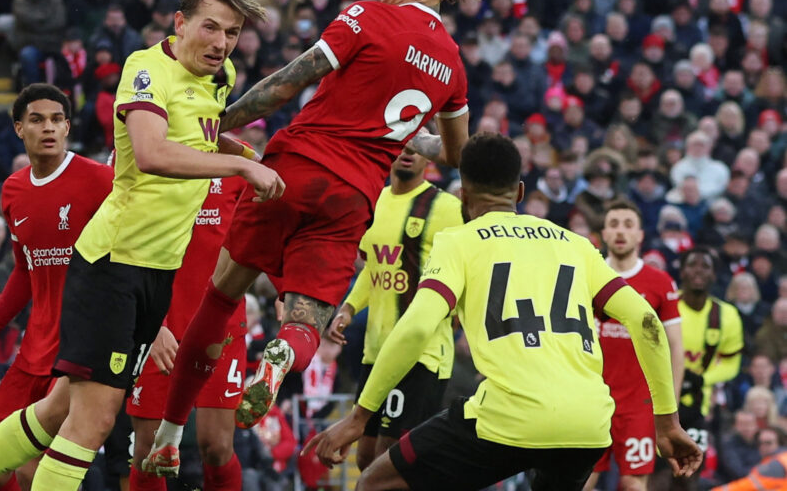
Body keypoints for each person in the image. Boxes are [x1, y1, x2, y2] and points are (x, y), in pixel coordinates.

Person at [0, 0, 282, 491]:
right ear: (180, 23)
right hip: (115, 265)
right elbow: (152, 152)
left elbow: (207, 132)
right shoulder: (146, 69)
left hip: (157, 272)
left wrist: (246, 153)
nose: (221, 43)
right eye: (210, 27)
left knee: (59, 407)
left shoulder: (218, 79)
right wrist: (242, 169)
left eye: (232, 32)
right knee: (93, 421)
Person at [145, 0, 481, 475]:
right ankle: (280, 358)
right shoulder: (454, 64)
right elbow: (455, 153)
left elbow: (283, 86)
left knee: (221, 296)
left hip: (296, 168)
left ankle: (169, 431)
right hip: (352, 198)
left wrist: (212, 124)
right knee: (305, 319)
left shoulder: (366, 17)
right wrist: (390, 138)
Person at [306, 133, 703, 491]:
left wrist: (359, 418)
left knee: (377, 482)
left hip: (507, 418)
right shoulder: (575, 243)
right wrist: (667, 423)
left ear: (463, 197)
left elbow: (415, 329)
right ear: (520, 191)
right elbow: (645, 320)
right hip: (586, 424)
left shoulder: (458, 241)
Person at [0, 83, 114, 491]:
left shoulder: (101, 181)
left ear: (68, 127)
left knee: (41, 473)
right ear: (19, 128)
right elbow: (26, 270)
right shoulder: (13, 190)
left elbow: (137, 260)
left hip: (80, 351)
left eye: (57, 120)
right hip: (33, 350)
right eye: (38, 120)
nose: (49, 128)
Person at [327, 146, 463, 470]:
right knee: (365, 460)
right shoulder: (374, 199)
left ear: (431, 156)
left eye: (419, 147)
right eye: (403, 144)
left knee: (391, 466)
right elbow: (374, 267)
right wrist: (348, 307)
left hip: (422, 355)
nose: (409, 153)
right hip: (376, 353)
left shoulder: (446, 208)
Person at [127, 173, 247, 491]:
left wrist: (284, 290)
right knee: (149, 452)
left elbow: (264, 231)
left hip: (223, 328)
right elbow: (126, 243)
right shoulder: (147, 153)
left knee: (216, 447)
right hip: (160, 326)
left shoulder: (244, 164)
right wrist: (155, 325)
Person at [584, 199, 685, 491]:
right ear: (603, 233)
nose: (620, 231)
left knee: (632, 483)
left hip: (640, 404)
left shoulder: (660, 283)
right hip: (592, 398)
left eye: (628, 225)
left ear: (640, 235)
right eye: (614, 224)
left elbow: (675, 348)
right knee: (583, 479)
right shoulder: (586, 277)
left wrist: (670, 407)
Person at [660, 248, 744, 490]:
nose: (698, 270)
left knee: (689, 474)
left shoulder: (727, 315)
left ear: (714, 275)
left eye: (705, 266)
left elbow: (732, 362)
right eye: (692, 264)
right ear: (681, 271)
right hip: (660, 406)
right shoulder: (665, 305)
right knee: (656, 476)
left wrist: (703, 378)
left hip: (699, 407)